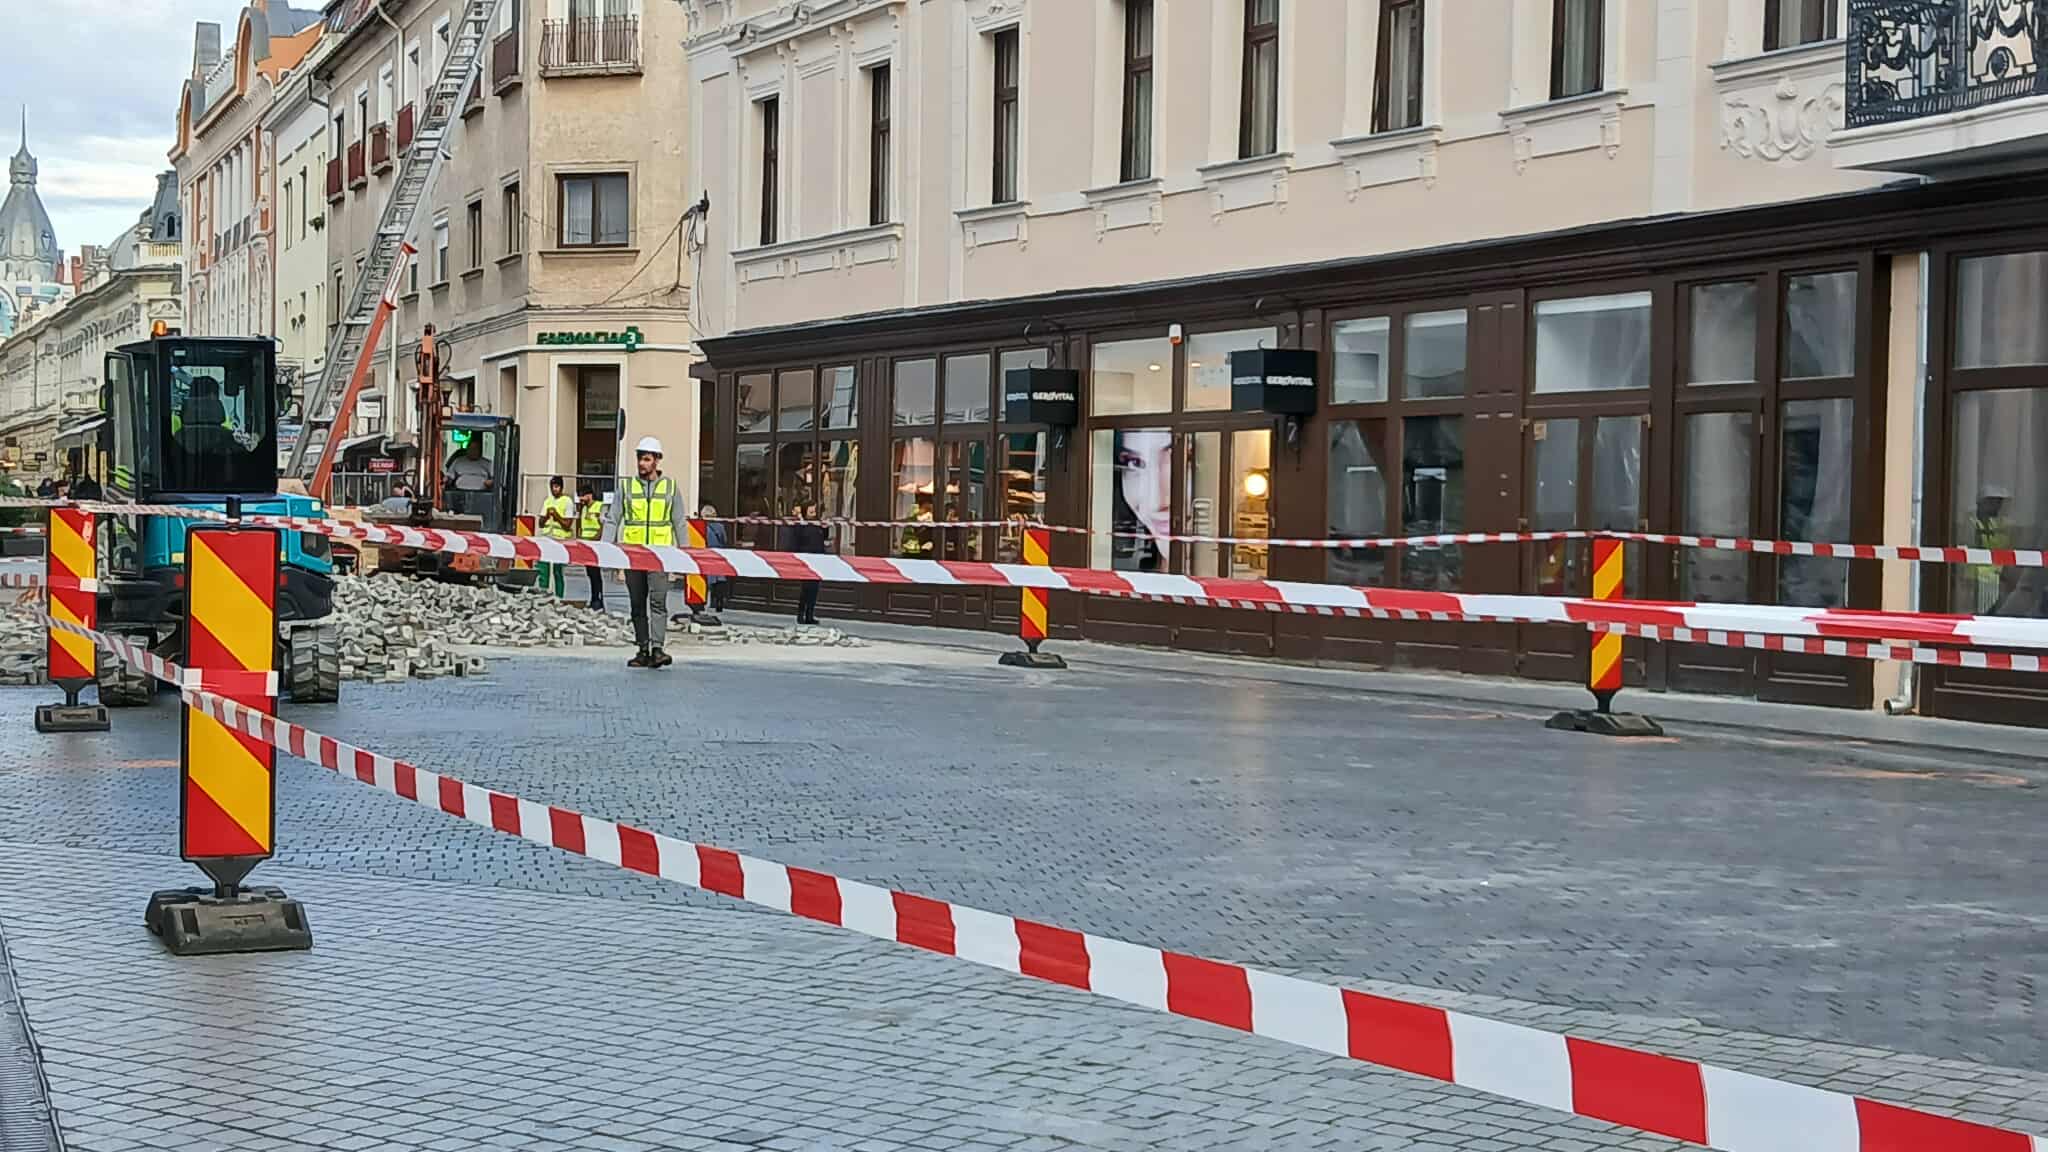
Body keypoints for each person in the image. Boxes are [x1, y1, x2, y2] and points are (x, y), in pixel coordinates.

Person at [605, 436, 687, 668]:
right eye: (640, 458)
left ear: (657, 461)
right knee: (637, 604)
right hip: (633, 556)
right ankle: (642, 649)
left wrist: (685, 556)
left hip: (660, 557)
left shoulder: (670, 487)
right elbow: (613, 519)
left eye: (647, 459)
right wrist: (604, 549)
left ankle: (658, 649)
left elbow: (679, 522)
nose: (642, 463)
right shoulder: (627, 487)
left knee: (658, 603)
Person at [785, 500, 828, 626]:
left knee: (814, 589)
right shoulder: (800, 525)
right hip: (806, 561)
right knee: (806, 589)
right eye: (811, 511)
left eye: (814, 510)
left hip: (818, 561)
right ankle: (800, 615)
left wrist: (825, 528)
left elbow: (823, 537)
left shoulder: (817, 523)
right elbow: (795, 541)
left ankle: (810, 615)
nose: (813, 513)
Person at [538, 475, 573, 598]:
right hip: (547, 538)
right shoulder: (547, 501)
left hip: (560, 540)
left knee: (558, 571)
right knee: (543, 569)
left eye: (557, 486)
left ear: (561, 487)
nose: (555, 489)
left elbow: (568, 525)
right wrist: (547, 515)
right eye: (553, 487)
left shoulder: (567, 501)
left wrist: (557, 516)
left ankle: (559, 596)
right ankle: (543, 595)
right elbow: (541, 524)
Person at [576, 483, 607, 610]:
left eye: (583, 496)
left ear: (590, 495)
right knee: (590, 573)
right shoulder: (583, 509)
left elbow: (603, 526)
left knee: (595, 574)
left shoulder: (599, 506)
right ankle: (593, 598)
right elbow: (581, 526)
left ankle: (598, 599)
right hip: (585, 545)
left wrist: (596, 539)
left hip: (595, 545)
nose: (581, 499)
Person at [701, 503, 730, 612]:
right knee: (719, 579)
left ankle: (702, 603)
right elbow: (724, 540)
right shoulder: (720, 526)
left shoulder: (701, 527)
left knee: (706, 580)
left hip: (705, 555)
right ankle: (718, 602)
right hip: (718, 554)